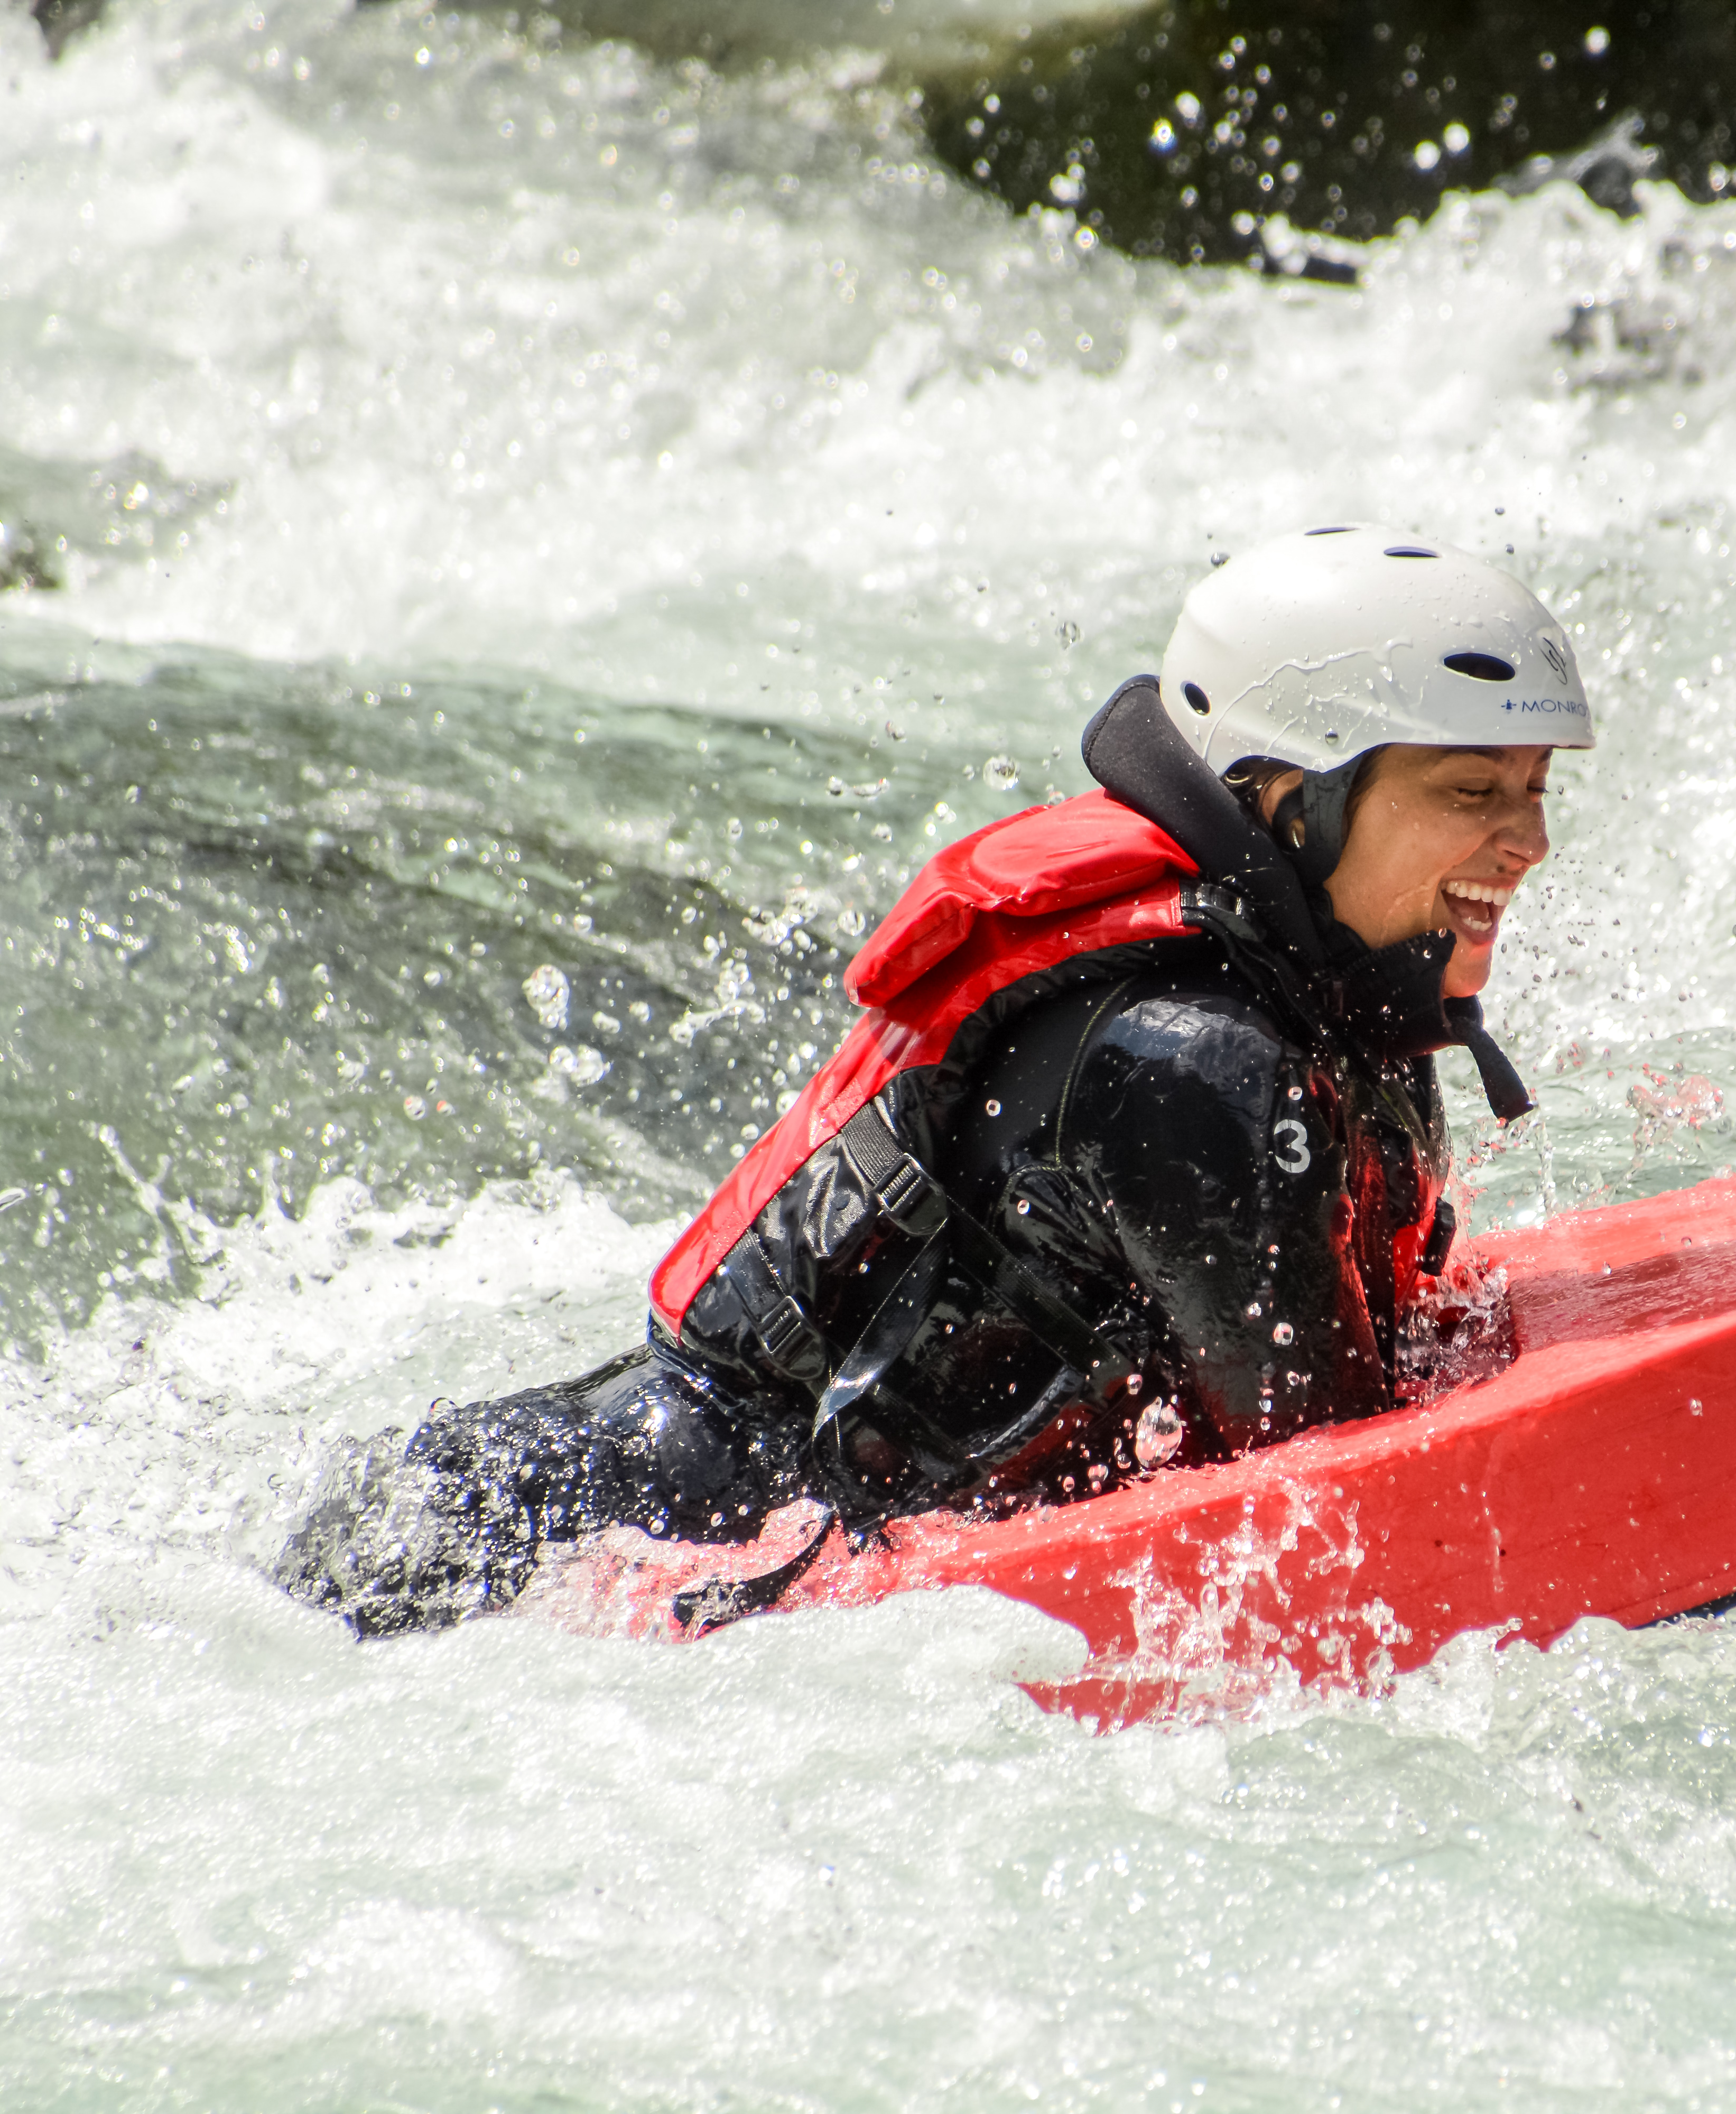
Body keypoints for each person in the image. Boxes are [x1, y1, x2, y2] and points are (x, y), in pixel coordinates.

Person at [277, 525, 1594, 1635]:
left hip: (626, 1514)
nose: (1527, 843)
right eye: (1474, 789)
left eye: (1535, 790)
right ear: (1290, 799)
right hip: (539, 1561)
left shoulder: (1345, 991)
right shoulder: (1192, 1068)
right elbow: (1348, 1498)